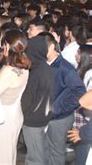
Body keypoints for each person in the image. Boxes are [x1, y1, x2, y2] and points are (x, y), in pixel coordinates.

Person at [40, 32, 86, 165]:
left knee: (56, 152)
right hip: (46, 115)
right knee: (46, 149)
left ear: (50, 47)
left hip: (60, 118)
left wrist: (59, 108)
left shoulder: (64, 67)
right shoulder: (43, 64)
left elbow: (79, 91)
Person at [0, 29, 31, 164]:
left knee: (0, 154)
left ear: (7, 46)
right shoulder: (24, 67)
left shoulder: (8, 70)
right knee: (9, 152)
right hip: (15, 112)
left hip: (3, 116)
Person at [21, 35, 55, 165]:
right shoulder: (46, 68)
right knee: (41, 152)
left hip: (33, 120)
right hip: (43, 117)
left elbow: (28, 99)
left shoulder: (36, 72)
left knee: (34, 158)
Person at [71, 44, 92, 165]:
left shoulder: (90, 74)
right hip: (83, 120)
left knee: (83, 154)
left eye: (78, 52)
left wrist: (83, 133)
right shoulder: (81, 70)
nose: (76, 55)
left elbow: (84, 101)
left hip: (86, 121)